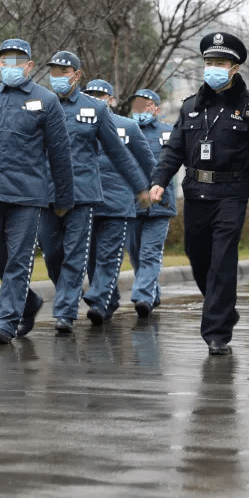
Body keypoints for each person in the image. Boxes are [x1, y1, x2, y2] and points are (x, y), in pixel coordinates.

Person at [149, 32, 249, 355]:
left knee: (222, 260)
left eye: (219, 63)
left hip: (231, 194)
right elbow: (173, 151)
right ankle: (223, 307)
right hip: (197, 192)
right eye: (208, 62)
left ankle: (216, 333)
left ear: (234, 68)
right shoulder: (190, 108)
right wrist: (159, 180)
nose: (212, 68)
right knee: (198, 258)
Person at [0, 38, 75, 345]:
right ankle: (30, 302)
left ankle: (6, 323)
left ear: (29, 66)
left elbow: (60, 154)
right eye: (5, 61)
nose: (10, 66)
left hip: (28, 195)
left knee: (19, 260)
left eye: (17, 61)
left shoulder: (46, 101)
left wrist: (63, 198)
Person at [36, 52, 151, 334]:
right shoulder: (38, 106)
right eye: (53, 71)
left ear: (76, 75)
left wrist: (140, 186)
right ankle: (68, 295)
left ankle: (65, 313)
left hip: (82, 194)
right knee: (53, 255)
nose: (58, 77)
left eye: (64, 71)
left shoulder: (95, 111)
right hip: (46, 193)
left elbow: (118, 153)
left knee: (76, 255)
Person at [80, 79, 156, 325]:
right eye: (90, 94)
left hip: (118, 202)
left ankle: (99, 300)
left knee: (109, 256)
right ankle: (108, 299)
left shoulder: (128, 127)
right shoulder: (79, 124)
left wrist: (152, 189)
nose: (95, 98)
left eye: (101, 95)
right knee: (91, 258)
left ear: (111, 100)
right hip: (87, 199)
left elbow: (146, 162)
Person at [124, 88, 177, 318]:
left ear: (156, 109)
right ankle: (152, 294)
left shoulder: (169, 132)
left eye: (146, 106)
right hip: (131, 205)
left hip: (160, 205)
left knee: (150, 254)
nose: (141, 110)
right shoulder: (122, 130)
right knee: (136, 255)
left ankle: (142, 296)